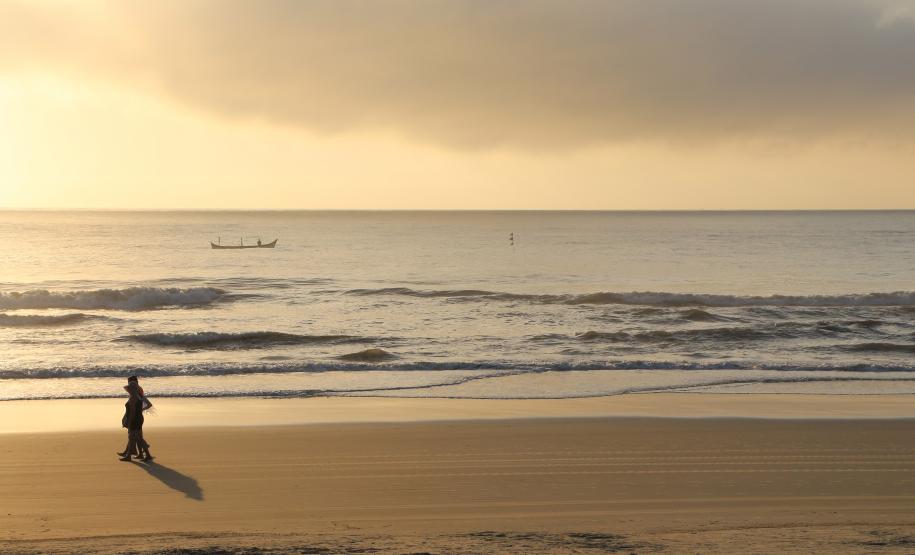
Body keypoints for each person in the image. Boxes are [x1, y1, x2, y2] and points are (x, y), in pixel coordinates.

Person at [118, 376, 154, 462]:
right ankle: (144, 455)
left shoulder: (133, 398)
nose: (128, 390)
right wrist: (141, 410)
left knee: (133, 437)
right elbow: (149, 405)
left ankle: (129, 456)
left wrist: (130, 422)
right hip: (139, 418)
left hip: (134, 420)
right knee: (138, 438)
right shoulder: (139, 396)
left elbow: (133, 412)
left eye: (129, 388)